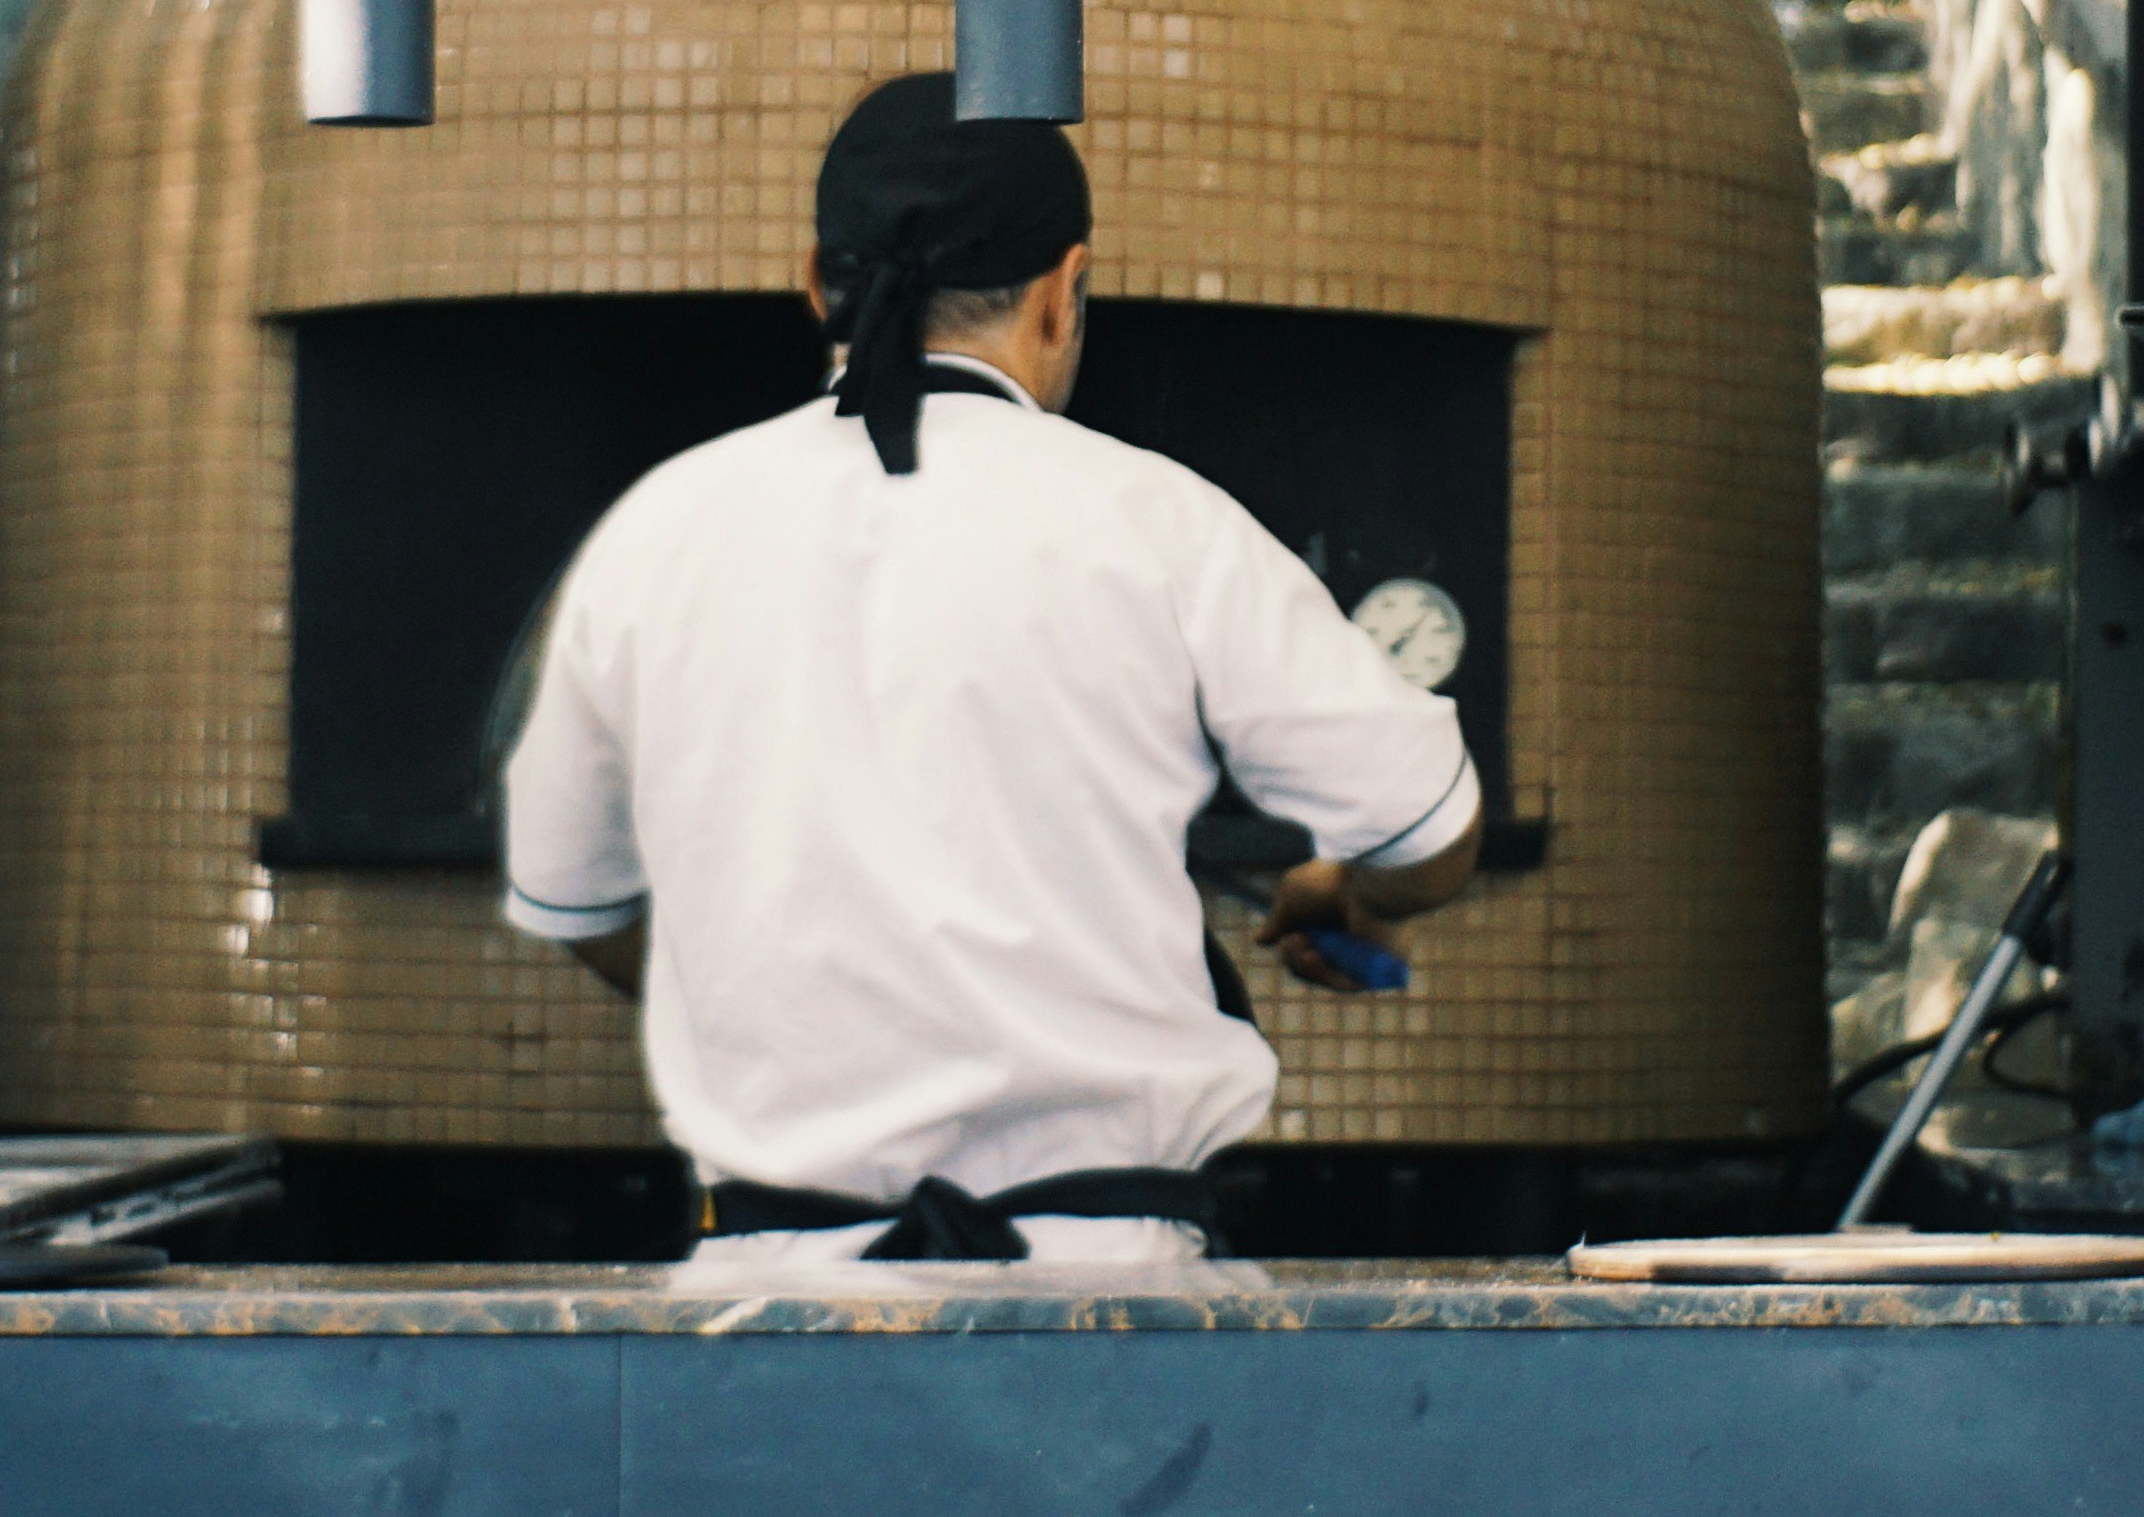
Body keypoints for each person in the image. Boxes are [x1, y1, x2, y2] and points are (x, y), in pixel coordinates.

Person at [498, 73, 1484, 1269]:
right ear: (1065, 293)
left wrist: (773, 989)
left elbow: (578, 897)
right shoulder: (1159, 520)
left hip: (769, 1291)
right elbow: (1428, 826)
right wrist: (1354, 897)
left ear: (817, 284)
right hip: (1106, 1282)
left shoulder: (659, 533)